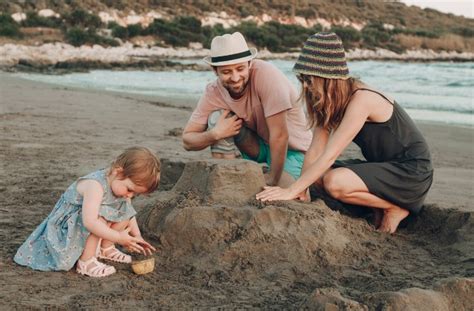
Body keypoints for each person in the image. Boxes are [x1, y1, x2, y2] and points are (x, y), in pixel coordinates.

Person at [256, 32, 433, 233]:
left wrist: (290, 191)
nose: (305, 85)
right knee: (317, 176)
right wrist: (302, 190)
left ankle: (393, 208)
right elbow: (315, 150)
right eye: (302, 78)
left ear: (327, 78)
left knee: (334, 181)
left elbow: (330, 155)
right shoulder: (329, 101)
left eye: (309, 79)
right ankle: (377, 206)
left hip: (411, 172)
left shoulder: (362, 99)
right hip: (383, 167)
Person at [182, 32, 313, 187]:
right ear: (214, 70)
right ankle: (226, 181)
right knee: (217, 119)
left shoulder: (267, 76)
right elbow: (187, 141)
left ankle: (270, 175)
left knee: (283, 194)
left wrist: (272, 180)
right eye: (226, 72)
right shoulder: (213, 91)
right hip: (256, 146)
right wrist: (215, 134)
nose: (235, 78)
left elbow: (280, 135)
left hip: (293, 150)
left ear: (250, 63)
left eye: (240, 68)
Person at [14, 147, 160, 277]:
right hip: (69, 227)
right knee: (100, 218)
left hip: (88, 224)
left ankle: (106, 248)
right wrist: (118, 237)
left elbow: (128, 213)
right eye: (130, 189)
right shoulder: (95, 185)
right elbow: (90, 222)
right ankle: (86, 262)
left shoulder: (120, 188)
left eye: (135, 194)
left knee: (123, 208)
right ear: (118, 171)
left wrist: (137, 236)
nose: (130, 196)